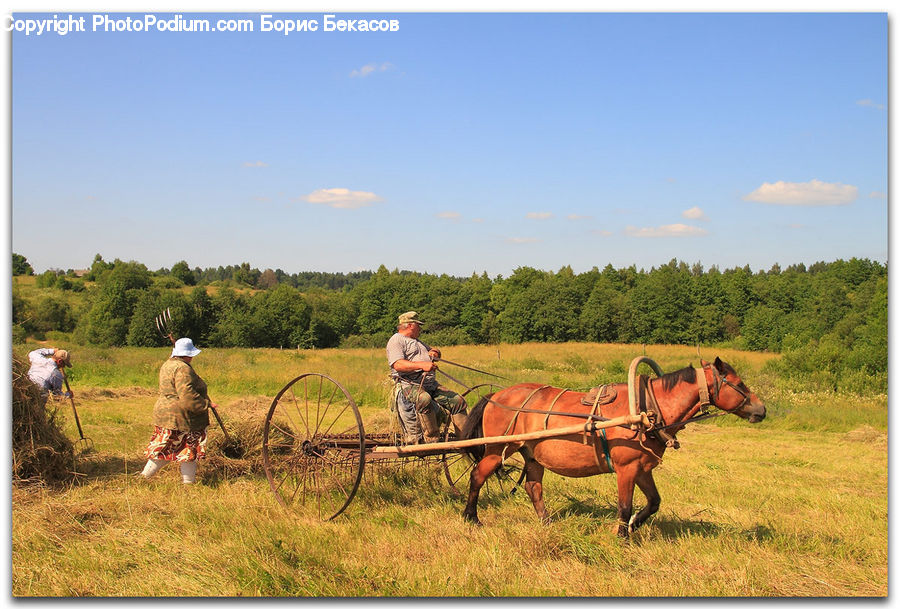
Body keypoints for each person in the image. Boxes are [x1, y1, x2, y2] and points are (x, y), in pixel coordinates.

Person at [140, 337, 218, 484]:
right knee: (188, 450)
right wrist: (205, 404)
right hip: (181, 417)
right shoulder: (183, 368)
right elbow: (187, 396)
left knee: (166, 449)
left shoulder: (168, 365)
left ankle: (144, 477)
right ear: (188, 354)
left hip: (165, 413)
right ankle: (187, 483)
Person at [386, 311, 468, 443]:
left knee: (457, 401)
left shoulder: (417, 341)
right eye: (419, 325)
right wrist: (422, 365)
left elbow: (434, 352)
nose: (420, 328)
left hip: (430, 384)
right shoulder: (396, 341)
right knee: (424, 399)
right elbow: (398, 364)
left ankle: (465, 438)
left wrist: (435, 352)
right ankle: (431, 439)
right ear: (411, 325)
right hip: (410, 384)